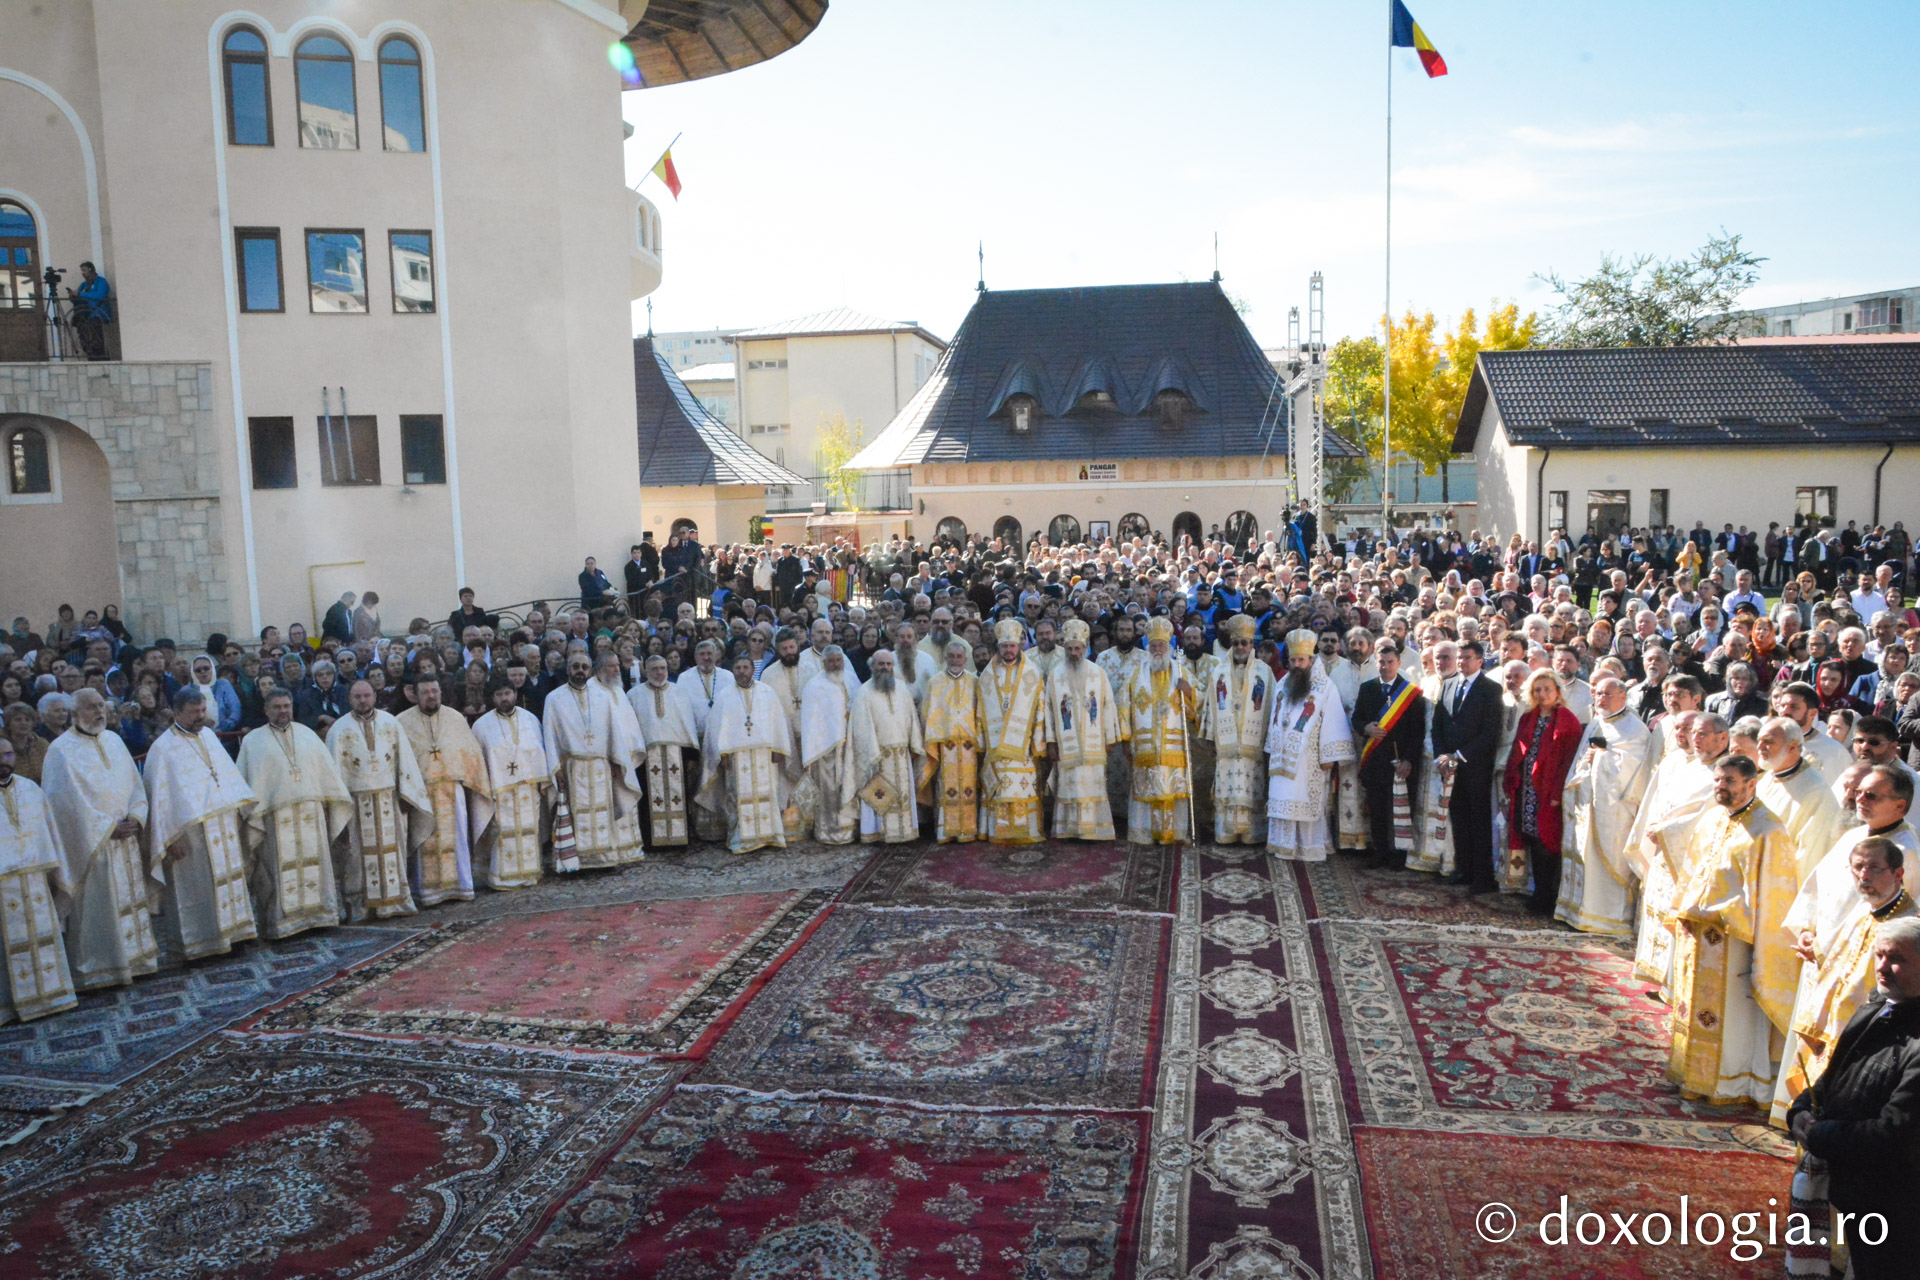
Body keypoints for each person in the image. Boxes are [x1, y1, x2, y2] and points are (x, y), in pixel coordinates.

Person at [1784, 916, 1920, 1279]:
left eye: (1897, 959)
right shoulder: (1875, 1010)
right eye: (1879, 955)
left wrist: (1818, 1135)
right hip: (1851, 1185)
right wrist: (1800, 1109)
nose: (1882, 967)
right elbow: (1833, 1078)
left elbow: (1893, 1134)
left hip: (1893, 1199)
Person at [1665, 754, 1800, 1107]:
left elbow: (1775, 896)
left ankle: (1728, 1084)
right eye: (1717, 780)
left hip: (1734, 941)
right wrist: (1681, 911)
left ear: (1751, 784)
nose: (1720, 787)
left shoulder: (1768, 830)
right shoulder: (1712, 818)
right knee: (1693, 1008)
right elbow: (1693, 871)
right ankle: (1691, 1075)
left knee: (1731, 1017)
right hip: (1699, 934)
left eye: (1729, 781)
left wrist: (1757, 943)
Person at [40, 690, 155, 990]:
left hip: (126, 838)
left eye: (101, 705)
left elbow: (135, 783)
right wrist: (107, 827)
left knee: (130, 899)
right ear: (74, 713)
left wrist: (136, 816)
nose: (99, 712)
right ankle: (100, 968)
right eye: (91, 707)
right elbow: (64, 804)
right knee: (98, 906)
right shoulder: (60, 751)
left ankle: (137, 960)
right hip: (92, 844)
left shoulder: (114, 740)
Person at [143, 688, 258, 959]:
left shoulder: (208, 736)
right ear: (176, 712)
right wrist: (170, 838)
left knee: (231, 881)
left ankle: (235, 935)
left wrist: (238, 811)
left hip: (223, 826)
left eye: (203, 710)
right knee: (197, 888)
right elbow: (159, 798)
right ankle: (201, 944)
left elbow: (227, 778)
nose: (201, 717)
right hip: (190, 834)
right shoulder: (163, 749)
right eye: (194, 712)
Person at [234, 687, 350, 939]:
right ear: (266, 710)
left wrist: (328, 804)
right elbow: (246, 782)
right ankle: (283, 923)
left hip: (311, 813)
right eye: (277, 707)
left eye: (286, 706)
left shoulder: (307, 734)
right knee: (278, 868)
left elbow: (326, 774)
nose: (283, 711)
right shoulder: (253, 741)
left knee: (316, 864)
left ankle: (320, 916)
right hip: (275, 817)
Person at [325, 678, 431, 919]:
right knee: (356, 856)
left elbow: (405, 761)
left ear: (374, 696)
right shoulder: (338, 730)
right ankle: (362, 908)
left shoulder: (391, 723)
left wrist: (407, 794)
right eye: (357, 697)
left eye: (367, 696)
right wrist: (339, 808)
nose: (363, 700)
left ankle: (396, 902)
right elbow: (334, 774)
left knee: (393, 851)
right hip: (355, 804)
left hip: (389, 800)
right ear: (349, 699)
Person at [1557, 676, 1654, 933]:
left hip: (1613, 810)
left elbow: (1633, 770)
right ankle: (1576, 911)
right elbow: (1583, 756)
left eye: (1608, 695)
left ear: (1623, 696)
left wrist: (1600, 758)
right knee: (1584, 856)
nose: (1601, 699)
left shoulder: (1635, 729)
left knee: (1604, 861)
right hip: (1587, 801)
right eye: (1598, 694)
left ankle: (1606, 917)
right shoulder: (1597, 721)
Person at [541, 652, 644, 869]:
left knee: (603, 813)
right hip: (573, 767)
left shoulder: (602, 696)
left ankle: (605, 858)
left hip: (601, 766)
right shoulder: (554, 698)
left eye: (584, 667)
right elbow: (550, 736)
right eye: (576, 666)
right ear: (568, 669)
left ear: (590, 670)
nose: (580, 671)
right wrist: (555, 768)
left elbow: (613, 731)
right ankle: (578, 860)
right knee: (576, 814)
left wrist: (617, 761)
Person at [0, 738, 78, 1022]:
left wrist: (57, 875)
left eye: (8, 754)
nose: (4, 761)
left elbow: (50, 834)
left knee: (43, 937)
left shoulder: (31, 790)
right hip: (3, 887)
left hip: (36, 880)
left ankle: (51, 996)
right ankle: (8, 1005)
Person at [397, 676, 492, 905]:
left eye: (435, 691)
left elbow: (470, 754)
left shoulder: (455, 718)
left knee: (457, 839)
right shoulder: (401, 722)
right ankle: (426, 892)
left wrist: (474, 785)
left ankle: (460, 887)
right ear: (415, 695)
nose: (431, 696)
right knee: (423, 842)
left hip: (452, 791)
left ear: (441, 692)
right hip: (421, 794)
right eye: (425, 692)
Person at [1264, 628, 1355, 859]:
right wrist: (1272, 746)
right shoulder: (1282, 684)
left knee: (1306, 801)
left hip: (1310, 759)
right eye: (1293, 660)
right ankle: (1283, 845)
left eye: (1301, 660)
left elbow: (1333, 721)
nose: (1297, 665)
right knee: (1283, 798)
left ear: (1311, 660)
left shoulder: (1325, 687)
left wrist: (1329, 757)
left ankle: (1308, 847)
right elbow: (1275, 718)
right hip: (1281, 758)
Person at [1504, 668, 1587, 915]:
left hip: (1548, 791)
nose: (1542, 694)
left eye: (1547, 689)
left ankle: (1546, 896)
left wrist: (1556, 794)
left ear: (1558, 691)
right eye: (1537, 690)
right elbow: (1518, 750)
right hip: (1527, 789)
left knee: (1546, 842)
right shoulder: (1528, 717)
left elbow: (1569, 761)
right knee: (1529, 837)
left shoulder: (1568, 721)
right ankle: (1536, 892)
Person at [696, 650, 790, 854]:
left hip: (764, 754)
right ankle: (741, 838)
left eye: (745, 667)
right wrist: (721, 755)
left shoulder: (767, 692)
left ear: (752, 669)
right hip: (736, 757)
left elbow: (777, 722)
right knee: (738, 796)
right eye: (737, 668)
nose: (741, 671)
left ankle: (771, 835)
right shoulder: (724, 696)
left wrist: (778, 749)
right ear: (732, 670)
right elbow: (716, 729)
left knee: (768, 793)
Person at [1117, 617, 1198, 846]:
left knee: (1173, 789)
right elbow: (1123, 705)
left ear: (1168, 647)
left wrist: (1189, 692)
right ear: (1147, 647)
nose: (1157, 650)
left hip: (1174, 746)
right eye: (1153, 646)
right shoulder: (1136, 675)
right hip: (1145, 746)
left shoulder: (1181, 671)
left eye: (1161, 645)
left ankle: (1174, 834)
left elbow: (1200, 706)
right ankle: (1144, 833)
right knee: (1146, 789)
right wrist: (1126, 738)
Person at [1435, 639, 1506, 894]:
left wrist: (1459, 755)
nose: (1462, 662)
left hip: (1475, 765)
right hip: (1450, 766)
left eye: (1467, 658)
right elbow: (1438, 725)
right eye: (1460, 657)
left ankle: (1481, 876)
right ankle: (1462, 868)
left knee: (1478, 820)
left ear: (1479, 661)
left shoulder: (1491, 689)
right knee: (1458, 817)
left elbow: (1489, 731)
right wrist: (1442, 756)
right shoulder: (1448, 684)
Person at [1045, 619, 1125, 841]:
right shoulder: (1055, 675)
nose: (1074, 653)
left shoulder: (1098, 673)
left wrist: (1109, 737)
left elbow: (1107, 705)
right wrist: (1050, 742)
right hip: (1066, 743)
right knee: (1069, 786)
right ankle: (1069, 830)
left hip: (1093, 742)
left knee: (1092, 785)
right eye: (1070, 649)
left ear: (1086, 647)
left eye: (1078, 648)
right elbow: (1048, 710)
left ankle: (1095, 830)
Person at [1352, 639, 1427, 867]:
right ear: (1376, 663)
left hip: (1399, 760)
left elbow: (1417, 731)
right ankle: (1380, 851)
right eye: (1381, 662)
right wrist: (1365, 728)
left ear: (1398, 663)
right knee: (1377, 808)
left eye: (1390, 662)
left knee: (1399, 809)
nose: (1385, 666)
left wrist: (1409, 760)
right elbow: (1357, 718)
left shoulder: (1411, 693)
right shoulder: (1367, 688)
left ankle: (1398, 855)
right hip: (1375, 759)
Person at [1202, 615, 1275, 846]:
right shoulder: (1219, 671)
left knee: (1252, 788)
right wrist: (1211, 738)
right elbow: (1210, 706)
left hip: (1253, 743)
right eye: (1236, 643)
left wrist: (1270, 741)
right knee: (1227, 787)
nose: (1240, 647)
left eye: (1245, 643)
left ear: (1252, 645)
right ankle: (1226, 833)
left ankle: (1252, 834)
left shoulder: (1265, 672)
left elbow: (1272, 707)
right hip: (1226, 743)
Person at [470, 679, 549, 888]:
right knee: (502, 830)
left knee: (529, 828)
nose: (504, 698)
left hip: (528, 788)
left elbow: (539, 752)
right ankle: (500, 877)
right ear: (492, 698)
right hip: (500, 789)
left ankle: (530, 872)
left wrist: (541, 781)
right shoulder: (481, 726)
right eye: (499, 695)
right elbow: (479, 762)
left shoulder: (530, 719)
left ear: (515, 694)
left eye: (507, 693)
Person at [981, 618, 1048, 844]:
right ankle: (1000, 832)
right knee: (1000, 788)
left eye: (1012, 646)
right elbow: (980, 713)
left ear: (1019, 646)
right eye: (1004, 646)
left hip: (1023, 748)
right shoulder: (987, 674)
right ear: (998, 647)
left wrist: (1038, 742)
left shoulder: (1031, 672)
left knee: (1022, 788)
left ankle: (1026, 831)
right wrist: (982, 743)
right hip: (996, 747)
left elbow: (1040, 709)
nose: (1008, 650)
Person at [1757, 717, 1846, 884]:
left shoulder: (1815, 792)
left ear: (1792, 747)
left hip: (1781, 882)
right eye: (1759, 741)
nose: (1760, 747)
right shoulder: (1769, 776)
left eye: (1768, 742)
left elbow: (1810, 855)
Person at [850, 648, 924, 844]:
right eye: (881, 664)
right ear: (872, 666)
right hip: (878, 755)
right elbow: (862, 727)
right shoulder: (864, 692)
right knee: (880, 795)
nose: (885, 667)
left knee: (903, 795)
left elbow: (912, 718)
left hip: (901, 754)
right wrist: (873, 753)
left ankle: (905, 830)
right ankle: (879, 832)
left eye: (888, 664)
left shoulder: (902, 688)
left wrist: (914, 744)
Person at [629, 656, 700, 848]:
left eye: (663, 668)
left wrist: (691, 756)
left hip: (677, 754)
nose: (659, 672)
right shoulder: (634, 695)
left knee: (679, 795)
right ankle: (652, 841)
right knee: (649, 799)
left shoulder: (679, 693)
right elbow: (631, 729)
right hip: (647, 756)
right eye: (654, 669)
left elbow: (687, 726)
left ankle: (680, 839)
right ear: (645, 671)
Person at [919, 639, 984, 843]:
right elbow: (927, 713)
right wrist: (931, 740)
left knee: (970, 786)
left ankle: (968, 829)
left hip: (969, 745)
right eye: (952, 656)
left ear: (965, 659)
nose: (955, 660)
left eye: (959, 657)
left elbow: (980, 712)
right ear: (945, 658)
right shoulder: (935, 682)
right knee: (945, 787)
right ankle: (945, 831)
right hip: (944, 744)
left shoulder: (974, 681)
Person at [798, 647, 861, 845]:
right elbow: (811, 722)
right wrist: (813, 750)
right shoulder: (815, 686)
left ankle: (852, 829)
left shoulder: (851, 679)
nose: (835, 664)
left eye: (838, 660)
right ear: (823, 663)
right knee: (830, 790)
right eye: (831, 661)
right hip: (826, 750)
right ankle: (829, 830)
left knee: (850, 785)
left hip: (850, 746)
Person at [758, 628, 816, 839]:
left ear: (798, 646)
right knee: (785, 782)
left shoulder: (811, 669)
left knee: (809, 778)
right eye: (784, 649)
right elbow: (765, 711)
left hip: (808, 734)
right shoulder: (768, 675)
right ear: (777, 650)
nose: (790, 652)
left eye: (792, 647)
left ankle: (811, 823)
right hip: (783, 736)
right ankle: (789, 827)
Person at [69, 260, 113, 360]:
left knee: (96, 339)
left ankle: (100, 357)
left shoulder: (101, 282)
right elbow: (79, 296)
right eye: (82, 271)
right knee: (85, 338)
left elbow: (100, 296)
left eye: (84, 270)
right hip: (85, 316)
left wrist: (81, 294)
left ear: (91, 270)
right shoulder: (84, 284)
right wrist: (73, 296)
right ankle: (90, 355)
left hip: (98, 314)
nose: (83, 273)